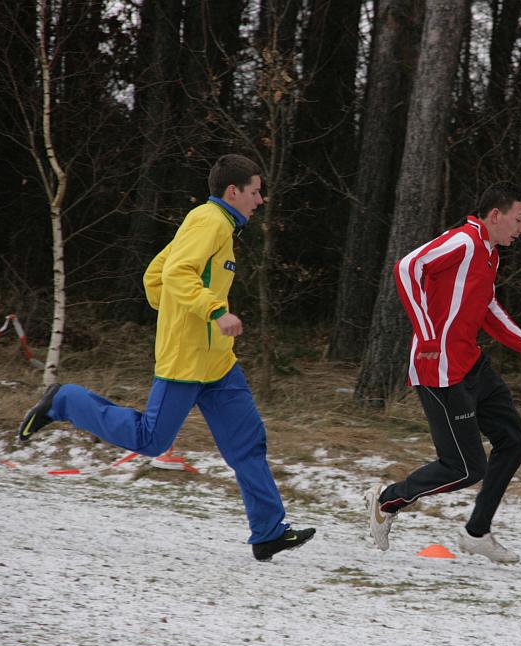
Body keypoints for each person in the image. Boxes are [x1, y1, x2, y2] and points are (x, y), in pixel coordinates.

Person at [18, 154, 315, 561]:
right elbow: (176, 274)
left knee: (247, 445)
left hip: (218, 364)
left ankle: (268, 533)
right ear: (233, 191)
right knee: (151, 440)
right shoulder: (208, 222)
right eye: (255, 192)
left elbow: (155, 276)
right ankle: (66, 400)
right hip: (187, 360)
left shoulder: (219, 226)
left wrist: (183, 311)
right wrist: (213, 312)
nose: (260, 200)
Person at [365, 182, 521, 564]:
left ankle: (477, 532)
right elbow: (407, 267)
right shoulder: (465, 241)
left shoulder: (489, 254)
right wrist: (426, 332)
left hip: (472, 365)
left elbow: (489, 310)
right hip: (439, 371)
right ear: (496, 215)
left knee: (515, 439)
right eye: (519, 220)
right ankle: (387, 501)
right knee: (465, 468)